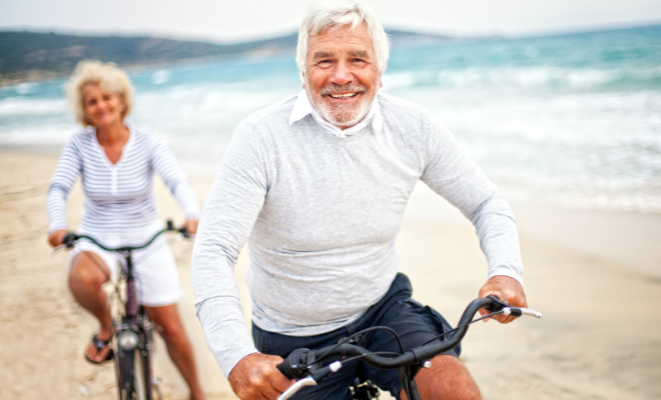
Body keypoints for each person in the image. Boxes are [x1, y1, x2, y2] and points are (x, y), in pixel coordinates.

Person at [192, 1, 527, 399]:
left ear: (379, 71)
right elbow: (214, 249)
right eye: (323, 61)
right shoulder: (260, 139)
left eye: (357, 59)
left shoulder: (413, 127)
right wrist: (236, 357)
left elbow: (485, 202)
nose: (341, 75)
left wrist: (506, 271)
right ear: (303, 73)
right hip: (293, 336)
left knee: (453, 390)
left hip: (385, 311)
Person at [46, 61, 205, 400]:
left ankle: (197, 393)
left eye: (107, 97)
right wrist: (57, 225)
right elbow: (59, 187)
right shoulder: (79, 144)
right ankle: (106, 327)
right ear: (84, 110)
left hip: (146, 239)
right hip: (97, 237)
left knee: (172, 331)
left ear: (121, 101)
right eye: (92, 101)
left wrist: (192, 214)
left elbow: (175, 179)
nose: (101, 106)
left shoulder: (147, 140)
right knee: (81, 278)